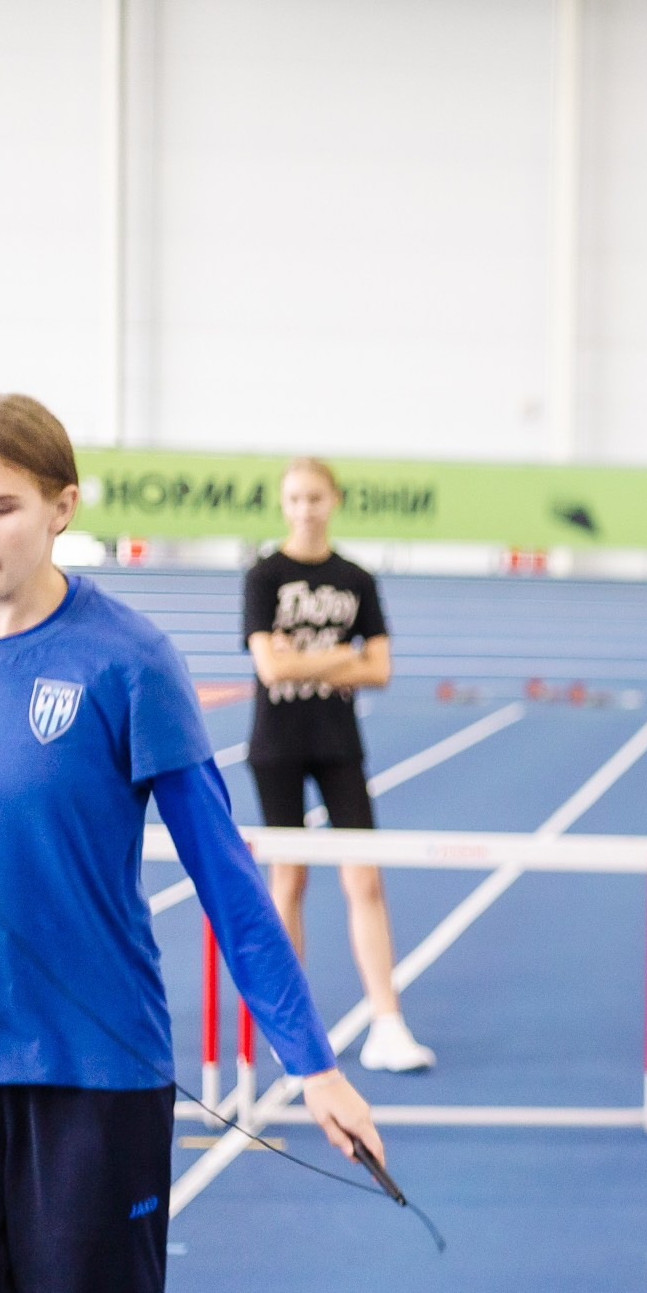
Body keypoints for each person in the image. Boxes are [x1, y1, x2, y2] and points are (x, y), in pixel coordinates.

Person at [0, 395, 385, 1293]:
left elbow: (224, 870)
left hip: (93, 1079)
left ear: (61, 503)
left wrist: (310, 1054)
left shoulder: (124, 659)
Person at [243, 458, 431, 1072]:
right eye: (294, 498)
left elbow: (380, 669)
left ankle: (387, 1022)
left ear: (334, 500)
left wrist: (305, 656)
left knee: (364, 880)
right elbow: (271, 670)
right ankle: (290, 1024)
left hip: (339, 745)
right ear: (282, 503)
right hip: (277, 747)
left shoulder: (357, 578)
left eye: (315, 497)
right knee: (289, 881)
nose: (304, 508)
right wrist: (339, 659)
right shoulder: (264, 576)